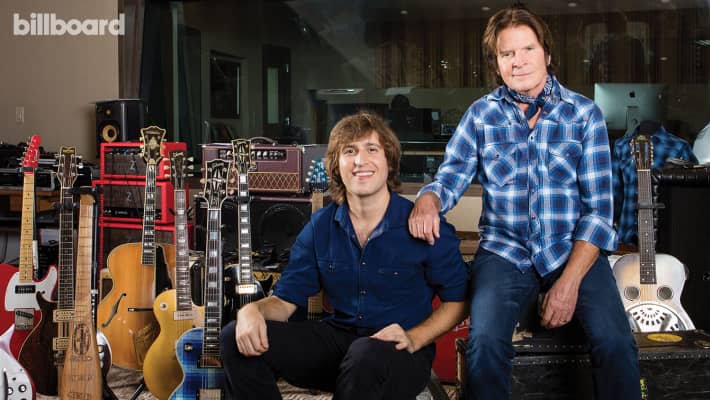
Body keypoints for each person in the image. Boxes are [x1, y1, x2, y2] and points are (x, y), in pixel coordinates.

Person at [408, 6, 640, 400]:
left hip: (571, 251)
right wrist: (428, 199)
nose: (518, 61)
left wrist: (568, 283)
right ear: (496, 63)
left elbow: (600, 214)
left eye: (528, 49)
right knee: (484, 345)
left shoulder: (584, 114)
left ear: (547, 53)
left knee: (616, 342)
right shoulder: (481, 115)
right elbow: (451, 176)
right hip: (504, 252)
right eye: (507, 53)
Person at [220, 111, 469, 400]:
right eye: (350, 151)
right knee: (233, 336)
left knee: (366, 354)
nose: (360, 161)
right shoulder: (321, 226)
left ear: (389, 162)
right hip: (339, 345)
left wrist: (414, 338)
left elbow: (460, 300)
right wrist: (252, 311)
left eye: (371, 149)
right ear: (337, 166)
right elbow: (285, 302)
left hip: (400, 353)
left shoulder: (424, 225)